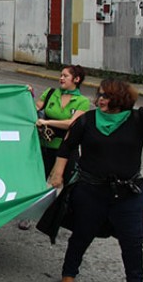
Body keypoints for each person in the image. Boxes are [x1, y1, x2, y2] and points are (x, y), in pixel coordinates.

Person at [50, 79, 143, 282]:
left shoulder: (139, 120)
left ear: (122, 99)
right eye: (100, 95)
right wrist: (57, 175)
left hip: (128, 193)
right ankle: (69, 272)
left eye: (107, 96)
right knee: (82, 235)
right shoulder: (86, 120)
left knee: (133, 241)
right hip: (90, 191)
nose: (101, 100)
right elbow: (67, 147)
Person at [18, 66, 90, 230]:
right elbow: (34, 109)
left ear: (76, 79)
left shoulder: (82, 102)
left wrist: (48, 122)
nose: (61, 78)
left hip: (66, 148)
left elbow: (73, 123)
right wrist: (27, 95)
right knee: (37, 180)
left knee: (69, 183)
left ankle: (64, 216)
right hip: (44, 145)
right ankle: (29, 215)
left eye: (65, 76)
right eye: (60, 75)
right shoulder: (51, 93)